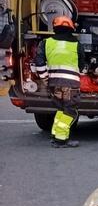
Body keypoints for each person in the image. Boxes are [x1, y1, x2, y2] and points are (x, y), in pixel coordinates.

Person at [32, 15, 85, 148]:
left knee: (61, 109)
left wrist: (45, 78)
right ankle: (61, 140)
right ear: (71, 28)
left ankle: (55, 136)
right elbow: (82, 64)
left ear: (54, 28)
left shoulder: (46, 42)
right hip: (71, 85)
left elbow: (39, 62)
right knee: (70, 112)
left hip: (54, 84)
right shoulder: (76, 44)